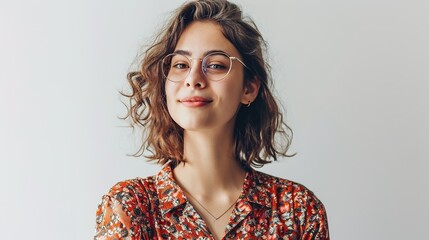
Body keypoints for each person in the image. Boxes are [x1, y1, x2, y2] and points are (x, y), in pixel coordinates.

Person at [94, 0, 329, 239]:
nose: (193, 78)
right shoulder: (131, 205)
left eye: (216, 65)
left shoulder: (299, 210)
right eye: (180, 64)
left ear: (249, 88)